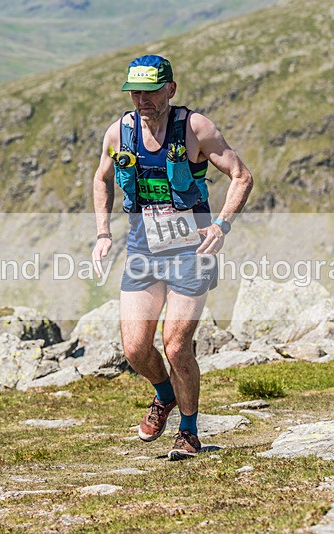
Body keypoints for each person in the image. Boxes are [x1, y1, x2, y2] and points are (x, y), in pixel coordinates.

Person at [91, 55, 253, 460]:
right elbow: (101, 179)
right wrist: (102, 232)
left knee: (177, 346)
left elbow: (241, 176)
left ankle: (189, 431)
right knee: (135, 349)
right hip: (144, 251)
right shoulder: (119, 132)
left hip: (191, 251)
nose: (142, 100)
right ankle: (164, 395)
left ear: (170, 89)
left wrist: (222, 225)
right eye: (135, 92)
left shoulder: (195, 128)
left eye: (150, 92)